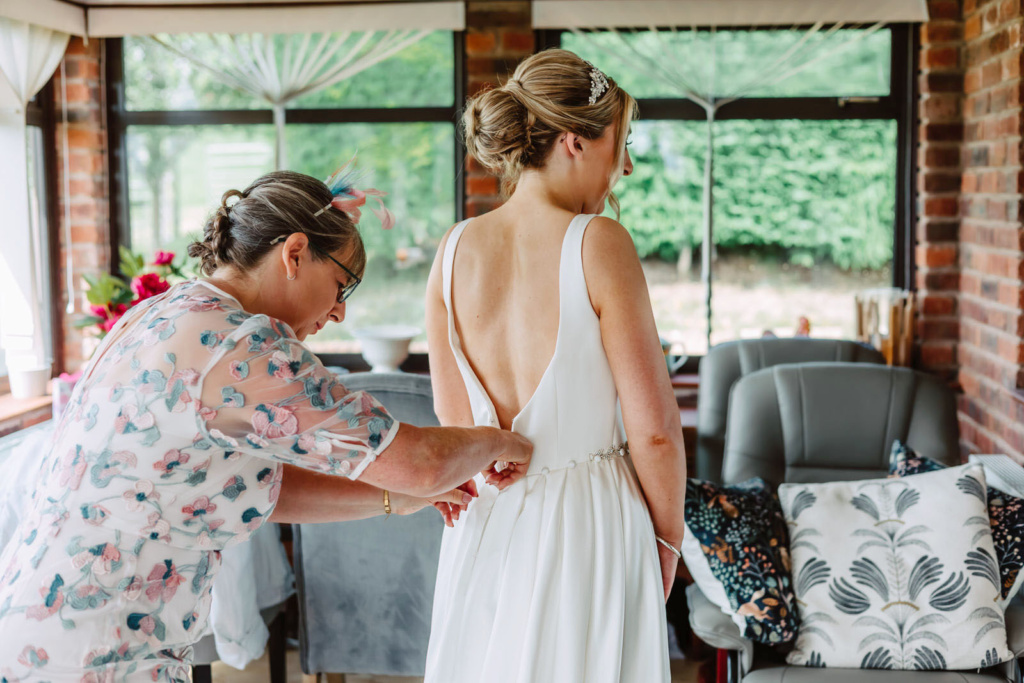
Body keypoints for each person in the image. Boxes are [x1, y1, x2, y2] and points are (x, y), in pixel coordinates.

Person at [0, 171, 532, 682]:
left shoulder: (160, 312)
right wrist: (506, 440)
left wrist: (395, 497)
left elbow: (253, 490)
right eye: (342, 285)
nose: (339, 314)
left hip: (36, 622)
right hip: (98, 650)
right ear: (294, 253)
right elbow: (423, 462)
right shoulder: (241, 345)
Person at [424, 49, 687, 683]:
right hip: (589, 527)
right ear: (573, 141)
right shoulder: (599, 244)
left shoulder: (454, 249)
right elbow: (653, 430)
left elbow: (452, 419)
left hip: (486, 522)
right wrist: (668, 544)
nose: (622, 167)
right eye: (616, 145)